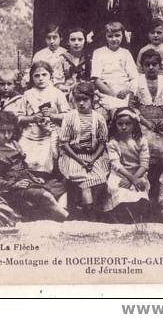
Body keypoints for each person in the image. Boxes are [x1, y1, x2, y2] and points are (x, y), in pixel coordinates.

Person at [0, 110, 68, 221]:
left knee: (60, 187)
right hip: (13, 188)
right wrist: (15, 184)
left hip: (27, 180)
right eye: (2, 131)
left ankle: (59, 216)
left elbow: (23, 167)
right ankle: (68, 219)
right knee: (45, 195)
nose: (7, 136)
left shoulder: (14, 144)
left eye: (10, 131)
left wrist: (34, 177)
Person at [131, 49, 163, 199]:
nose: (151, 68)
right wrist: (145, 122)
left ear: (160, 66)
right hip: (143, 124)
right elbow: (132, 106)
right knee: (142, 151)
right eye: (147, 65)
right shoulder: (136, 82)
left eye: (154, 64)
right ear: (142, 66)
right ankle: (146, 192)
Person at [58, 82, 109, 221]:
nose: (81, 103)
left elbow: (103, 142)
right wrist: (80, 160)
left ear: (92, 100)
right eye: (77, 100)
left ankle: (95, 212)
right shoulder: (69, 117)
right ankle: (90, 215)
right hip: (73, 156)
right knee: (85, 181)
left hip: (93, 155)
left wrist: (92, 160)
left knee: (100, 179)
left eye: (85, 99)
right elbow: (64, 143)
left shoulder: (98, 118)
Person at [18, 61, 69, 176]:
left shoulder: (57, 93)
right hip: (29, 135)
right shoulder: (27, 94)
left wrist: (52, 116)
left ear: (50, 75)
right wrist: (32, 118)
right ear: (31, 77)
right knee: (25, 161)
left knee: (47, 162)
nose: (40, 78)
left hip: (49, 134)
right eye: (36, 75)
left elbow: (67, 115)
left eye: (44, 75)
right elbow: (19, 117)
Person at [104, 107, 151, 223]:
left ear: (134, 124)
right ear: (115, 125)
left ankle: (136, 219)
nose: (124, 127)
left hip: (138, 173)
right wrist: (131, 179)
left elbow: (144, 164)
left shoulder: (141, 141)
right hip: (120, 175)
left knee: (140, 193)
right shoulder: (113, 142)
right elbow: (116, 164)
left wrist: (133, 179)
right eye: (120, 124)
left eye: (128, 124)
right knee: (120, 193)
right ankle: (122, 219)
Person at [91, 21, 138, 111]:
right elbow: (96, 79)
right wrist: (114, 94)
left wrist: (127, 91)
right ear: (105, 36)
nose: (114, 39)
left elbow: (134, 77)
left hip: (124, 91)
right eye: (110, 36)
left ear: (122, 36)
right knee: (109, 107)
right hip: (106, 91)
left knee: (127, 108)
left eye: (117, 35)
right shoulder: (98, 52)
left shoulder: (126, 53)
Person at [58, 27, 92, 97]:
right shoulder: (62, 59)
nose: (76, 43)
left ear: (85, 41)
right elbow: (57, 83)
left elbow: (93, 80)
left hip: (86, 93)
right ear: (68, 42)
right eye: (73, 40)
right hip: (66, 92)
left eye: (80, 39)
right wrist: (69, 88)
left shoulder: (90, 58)